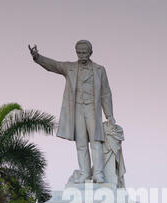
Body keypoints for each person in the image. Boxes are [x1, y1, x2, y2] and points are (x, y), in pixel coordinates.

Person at [29, 40, 116, 184]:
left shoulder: (100, 70)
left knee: (96, 141)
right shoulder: (69, 67)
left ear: (90, 53)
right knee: (81, 143)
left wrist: (110, 115)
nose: (81, 55)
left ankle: (98, 174)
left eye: (84, 53)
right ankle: (84, 173)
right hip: (76, 109)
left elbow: (106, 93)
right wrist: (37, 57)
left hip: (92, 109)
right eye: (79, 52)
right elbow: (53, 65)